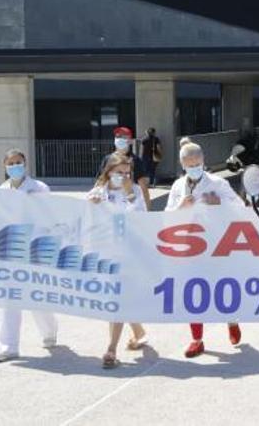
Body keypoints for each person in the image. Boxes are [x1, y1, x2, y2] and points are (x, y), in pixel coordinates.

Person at [166, 138, 244, 358]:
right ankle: (197, 339)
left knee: (223, 289)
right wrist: (181, 208)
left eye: (197, 162)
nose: (194, 167)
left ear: (203, 160)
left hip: (217, 246)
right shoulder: (177, 186)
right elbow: (166, 219)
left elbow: (239, 207)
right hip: (190, 248)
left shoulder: (217, 184)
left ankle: (232, 320)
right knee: (194, 294)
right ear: (183, 165)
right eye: (189, 164)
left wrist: (219, 204)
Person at [0, 149, 58, 363]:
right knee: (10, 297)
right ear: (5, 167)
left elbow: (51, 214)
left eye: (19, 162)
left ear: (25, 165)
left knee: (37, 297)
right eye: (11, 163)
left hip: (36, 248)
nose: (15, 166)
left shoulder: (40, 188)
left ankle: (50, 332)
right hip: (11, 249)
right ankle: (7, 347)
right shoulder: (1, 190)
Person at [88, 154, 149, 369]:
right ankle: (139, 331)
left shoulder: (135, 191)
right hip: (105, 252)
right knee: (115, 298)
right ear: (108, 172)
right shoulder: (98, 191)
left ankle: (111, 348)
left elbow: (140, 217)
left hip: (128, 253)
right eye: (119, 172)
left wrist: (131, 193)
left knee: (117, 298)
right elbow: (84, 219)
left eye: (127, 173)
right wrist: (92, 205)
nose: (123, 176)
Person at [99, 127, 151, 209]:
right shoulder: (108, 159)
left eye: (123, 137)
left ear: (130, 141)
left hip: (129, 202)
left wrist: (148, 209)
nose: (119, 139)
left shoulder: (135, 160)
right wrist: (95, 193)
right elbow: (101, 180)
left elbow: (143, 186)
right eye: (117, 137)